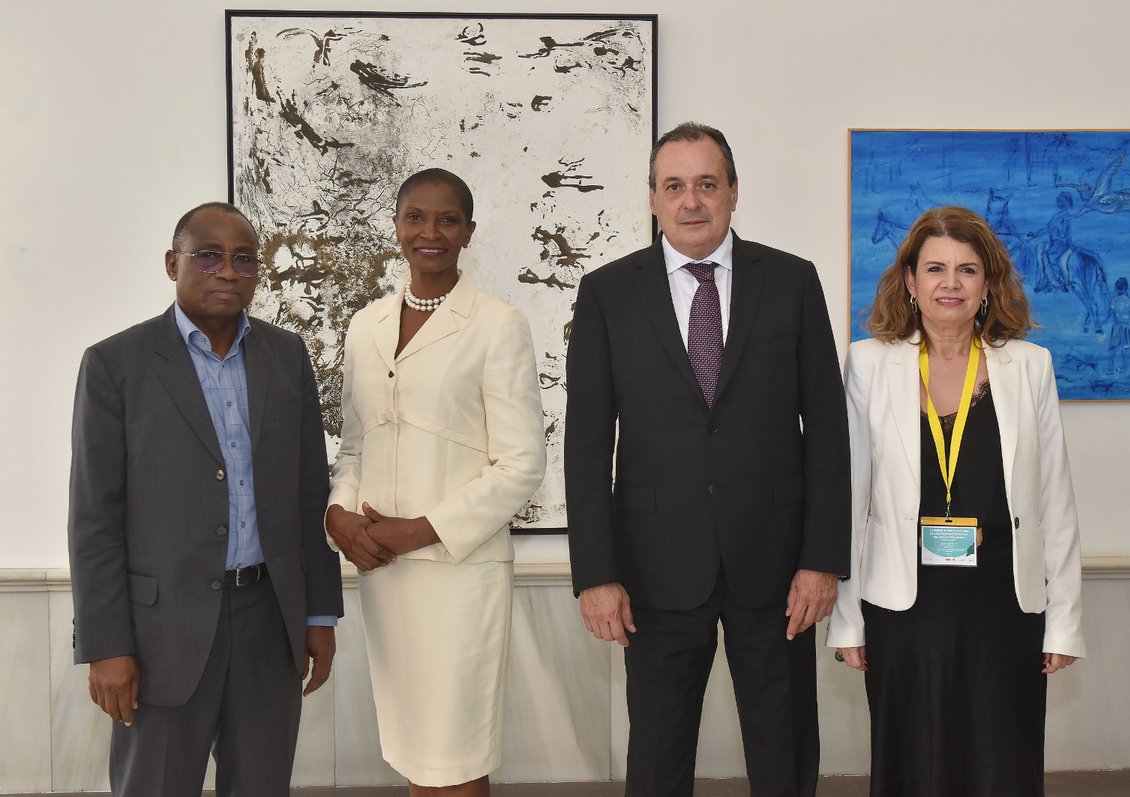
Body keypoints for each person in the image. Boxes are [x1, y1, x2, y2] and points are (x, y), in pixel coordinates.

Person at [565, 122, 851, 797]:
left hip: (777, 570)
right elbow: (584, 444)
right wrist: (595, 574)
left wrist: (821, 560)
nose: (691, 201)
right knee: (658, 760)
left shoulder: (791, 281)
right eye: (675, 186)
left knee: (783, 755)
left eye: (706, 184)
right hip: (654, 572)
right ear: (654, 200)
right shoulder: (608, 292)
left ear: (732, 193)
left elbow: (830, 432)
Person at [67, 202, 344, 796]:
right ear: (173, 264)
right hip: (160, 633)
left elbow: (307, 494)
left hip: (270, 621)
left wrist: (318, 615)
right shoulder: (116, 364)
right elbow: (94, 519)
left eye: (244, 259)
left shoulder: (287, 356)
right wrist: (107, 645)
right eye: (209, 256)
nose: (227, 271)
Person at [827, 206, 1086, 797]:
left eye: (967, 270)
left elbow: (1056, 503)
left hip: (1004, 605)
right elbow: (851, 499)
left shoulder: (1030, 366)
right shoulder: (868, 363)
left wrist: (1063, 622)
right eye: (935, 268)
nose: (950, 283)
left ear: (988, 285)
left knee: (1003, 763)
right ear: (910, 281)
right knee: (910, 764)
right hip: (902, 604)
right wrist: (847, 618)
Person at [325, 168, 546, 795]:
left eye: (447, 220)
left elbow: (521, 463)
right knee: (412, 750)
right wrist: (338, 517)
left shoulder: (497, 324)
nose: (430, 231)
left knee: (456, 752)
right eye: (415, 217)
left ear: (468, 232)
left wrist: (420, 529)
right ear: (396, 226)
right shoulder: (365, 325)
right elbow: (354, 445)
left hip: (458, 571)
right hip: (384, 574)